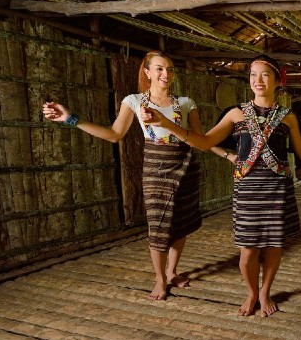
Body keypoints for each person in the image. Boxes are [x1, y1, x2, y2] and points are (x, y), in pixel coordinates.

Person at [142, 55, 301, 317]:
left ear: (278, 81)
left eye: (265, 75)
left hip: (277, 188)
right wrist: (166, 124)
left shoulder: (287, 117)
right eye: (253, 75)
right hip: (247, 189)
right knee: (247, 252)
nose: (258, 80)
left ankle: (264, 293)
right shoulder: (236, 113)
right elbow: (205, 142)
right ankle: (251, 292)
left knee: (273, 247)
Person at [42, 51, 202, 301]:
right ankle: (160, 279)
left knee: (181, 221)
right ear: (147, 73)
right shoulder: (135, 101)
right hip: (156, 166)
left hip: (186, 164)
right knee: (158, 223)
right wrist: (70, 119)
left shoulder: (185, 103)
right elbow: (114, 134)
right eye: (159, 69)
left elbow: (200, 140)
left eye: (170, 69)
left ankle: (172, 272)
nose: (166, 74)